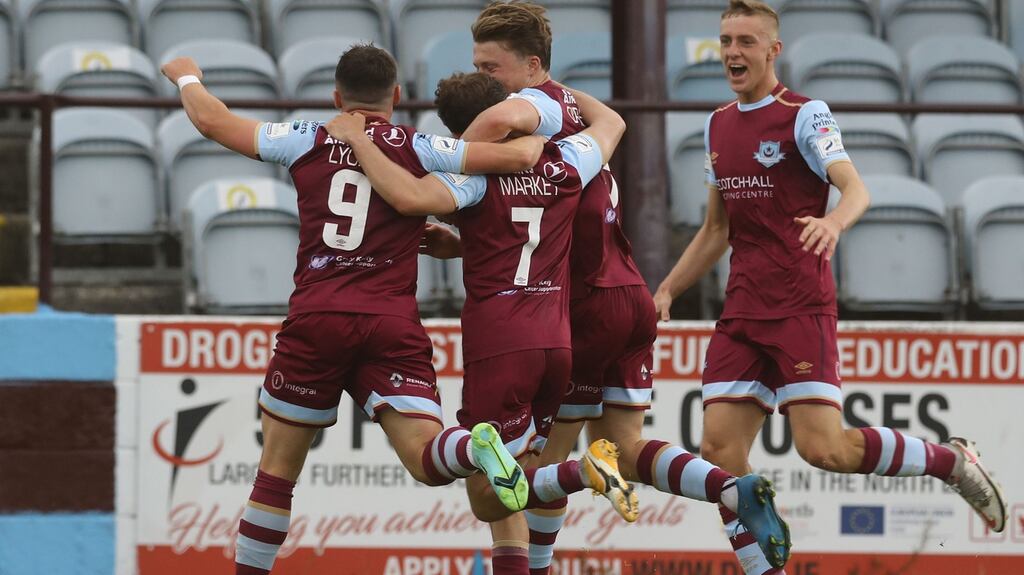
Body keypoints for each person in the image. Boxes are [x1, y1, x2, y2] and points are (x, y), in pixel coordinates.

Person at [160, 44, 552, 575]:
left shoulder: (305, 139)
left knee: (277, 473)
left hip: (318, 317)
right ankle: (470, 449)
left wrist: (187, 77)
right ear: (395, 96)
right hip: (391, 323)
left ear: (337, 96)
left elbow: (212, 121)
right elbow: (521, 157)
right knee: (427, 461)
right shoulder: (423, 147)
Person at [652, 2, 1008, 573]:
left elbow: (856, 189)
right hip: (743, 308)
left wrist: (834, 221)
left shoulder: (805, 114)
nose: (733, 53)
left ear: (774, 50)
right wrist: (666, 289)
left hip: (799, 305)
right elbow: (717, 229)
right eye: (725, 41)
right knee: (718, 449)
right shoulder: (718, 123)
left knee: (824, 450)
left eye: (746, 41)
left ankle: (949, 461)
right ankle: (765, 567)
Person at [445, 3, 792, 573]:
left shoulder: (522, 113)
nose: (484, 80)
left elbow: (478, 160)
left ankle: (529, 566)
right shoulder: (571, 113)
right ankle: (734, 496)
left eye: (491, 67)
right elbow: (546, 209)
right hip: (628, 293)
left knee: (531, 469)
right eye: (478, 66)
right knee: (627, 451)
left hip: (576, 306)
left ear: (531, 68)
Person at [325, 71, 639, 575]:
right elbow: (612, 123)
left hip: (500, 347)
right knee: (517, 482)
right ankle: (572, 479)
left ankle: (583, 471)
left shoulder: (472, 178)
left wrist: (360, 142)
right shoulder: (564, 163)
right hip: (557, 347)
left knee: (488, 499)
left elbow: (407, 197)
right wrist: (553, 90)